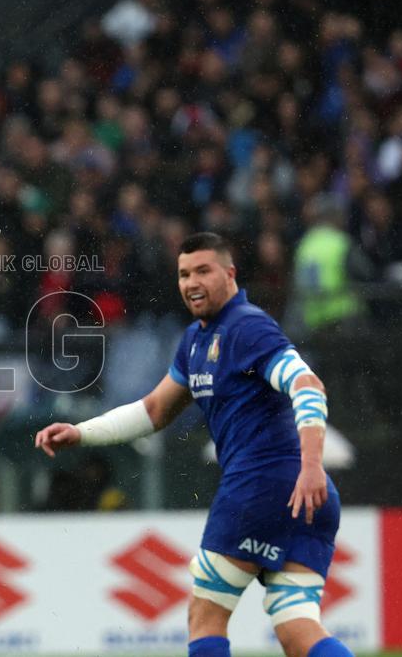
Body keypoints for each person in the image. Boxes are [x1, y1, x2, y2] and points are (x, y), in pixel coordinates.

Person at [35, 232, 353, 657]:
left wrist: (311, 465)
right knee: (297, 626)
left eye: (203, 270)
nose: (191, 282)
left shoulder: (247, 327)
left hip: (261, 486)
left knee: (205, 614)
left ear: (230, 274)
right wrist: (83, 432)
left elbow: (308, 385)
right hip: (306, 499)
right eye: (184, 274)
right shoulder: (196, 340)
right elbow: (153, 411)